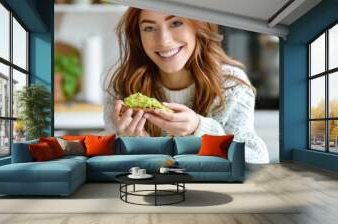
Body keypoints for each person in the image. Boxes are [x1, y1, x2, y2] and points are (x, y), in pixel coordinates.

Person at [102, 8, 269, 164]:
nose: (164, 40)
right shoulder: (121, 86)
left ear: (198, 25)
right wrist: (128, 146)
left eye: (176, 23)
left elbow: (257, 160)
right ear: (138, 36)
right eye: (149, 28)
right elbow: (108, 167)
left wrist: (199, 128)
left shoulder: (230, 85)